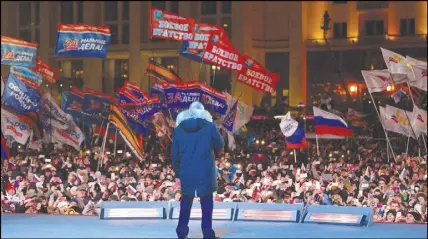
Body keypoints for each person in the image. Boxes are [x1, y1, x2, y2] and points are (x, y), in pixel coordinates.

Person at [172, 102, 224, 239]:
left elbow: (174, 155)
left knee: (186, 203)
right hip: (205, 170)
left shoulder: (178, 130)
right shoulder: (209, 126)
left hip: (186, 171)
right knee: (207, 204)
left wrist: (178, 172)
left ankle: (181, 233)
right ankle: (207, 234)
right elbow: (220, 144)